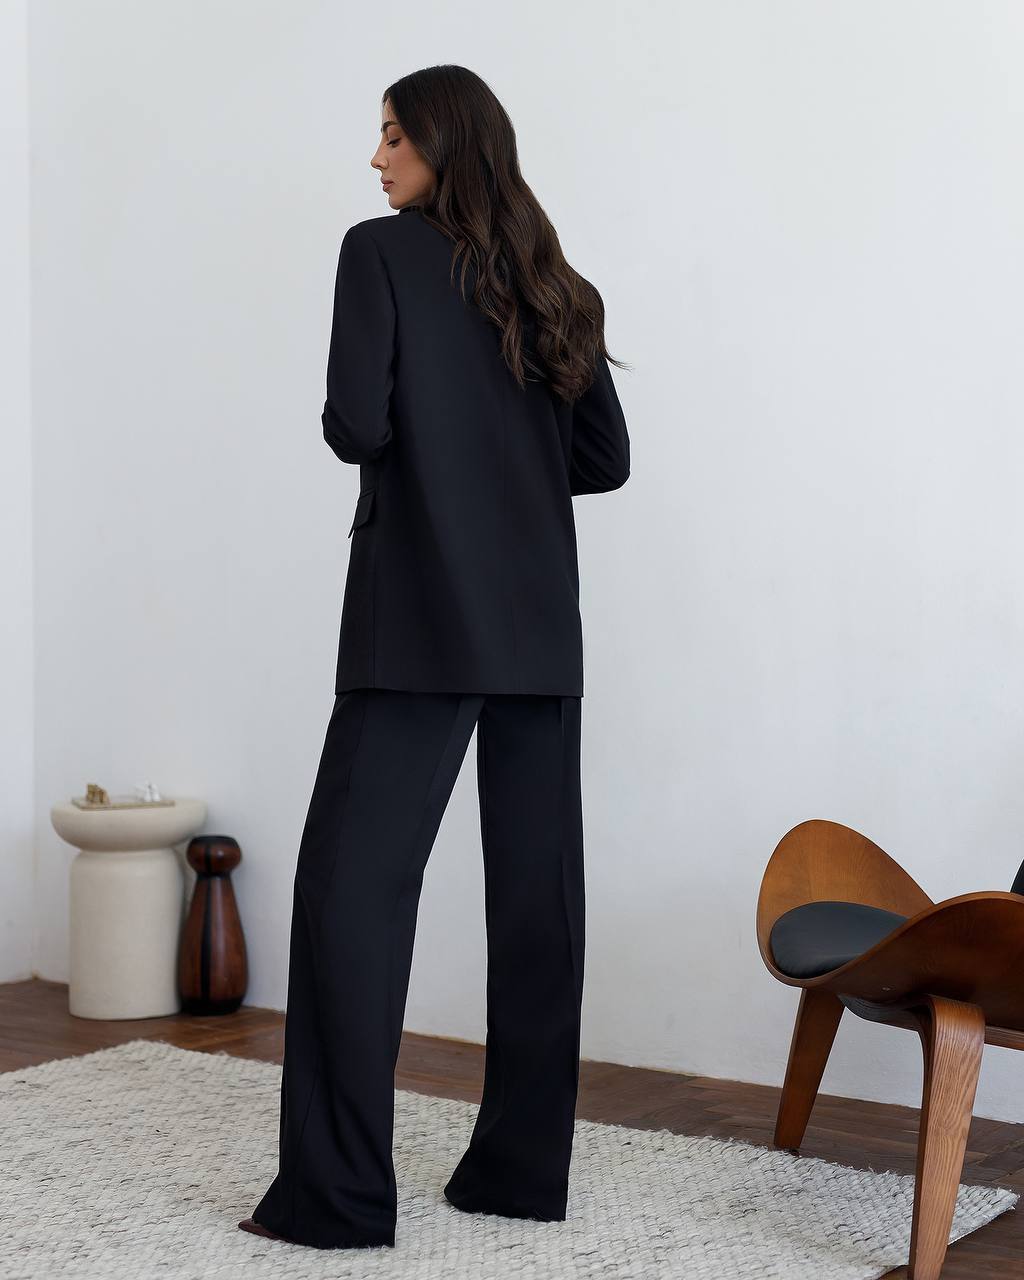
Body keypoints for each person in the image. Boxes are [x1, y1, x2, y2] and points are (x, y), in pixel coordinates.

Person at [239, 63, 631, 1250]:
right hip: (537, 628)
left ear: (442, 144)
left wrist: (429, 446)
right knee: (535, 904)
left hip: (415, 617)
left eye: (392, 135)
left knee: (351, 893)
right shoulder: (555, 282)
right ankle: (516, 1175)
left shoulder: (381, 252)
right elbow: (602, 458)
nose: (376, 159)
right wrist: (499, 455)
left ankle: (338, 1195)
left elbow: (356, 423)